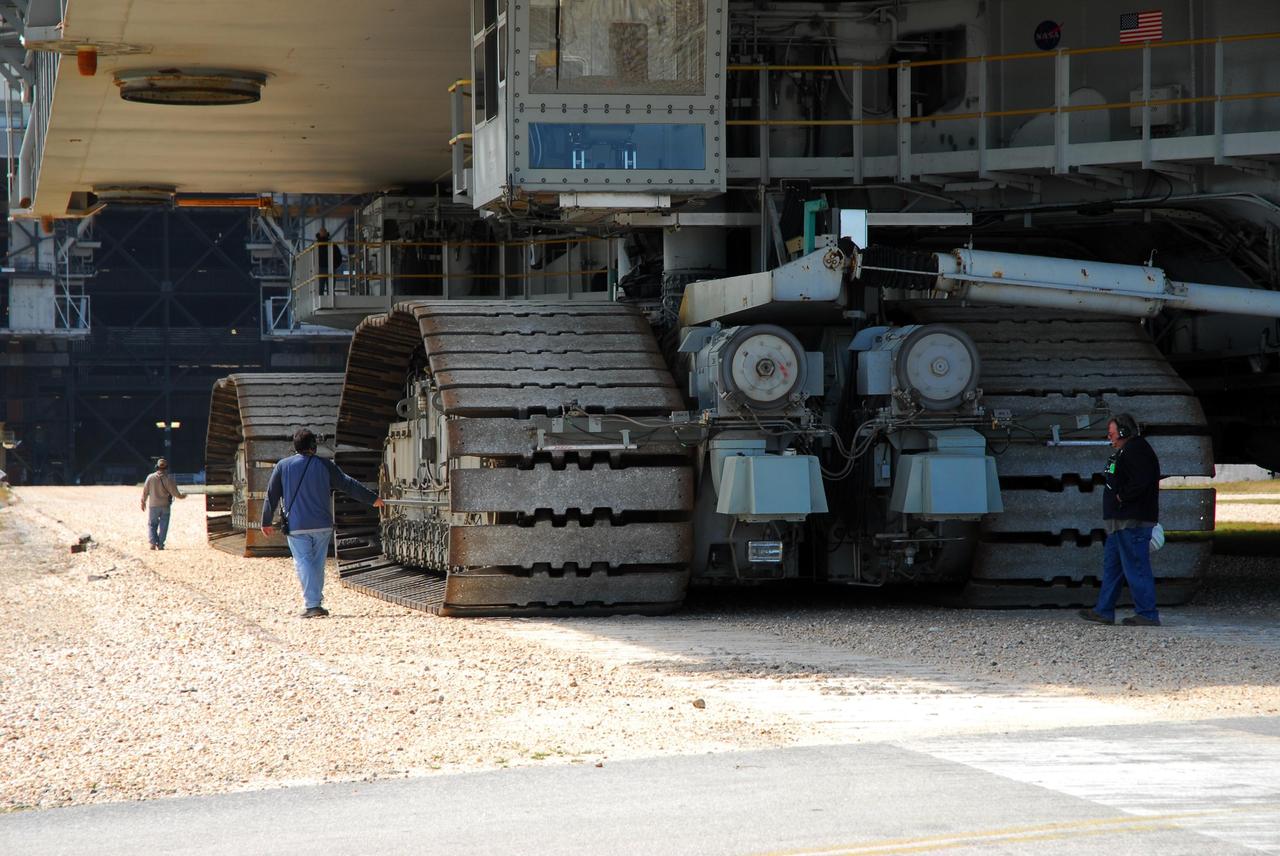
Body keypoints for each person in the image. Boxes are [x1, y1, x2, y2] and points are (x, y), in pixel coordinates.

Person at [261, 428, 382, 618]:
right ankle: (316, 602)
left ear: (295, 447)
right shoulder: (325, 465)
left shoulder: (283, 466)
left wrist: (266, 520)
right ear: (314, 446)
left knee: (304, 562)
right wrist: (372, 499)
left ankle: (312, 605)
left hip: (297, 525)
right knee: (317, 564)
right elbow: (347, 483)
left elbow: (272, 495)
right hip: (323, 525)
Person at [1080, 413, 1162, 627]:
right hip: (1120, 523)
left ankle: (1147, 613)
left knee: (1136, 566)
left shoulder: (1137, 450)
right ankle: (1104, 610)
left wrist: (1121, 496)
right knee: (1113, 568)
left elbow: (1141, 481)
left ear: (1124, 432)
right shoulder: (1128, 451)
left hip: (1131, 521)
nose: (1110, 438)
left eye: (1112, 434)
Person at [140, 457, 185, 550]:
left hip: (153, 505)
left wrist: (143, 502)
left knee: (152, 524)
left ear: (157, 467)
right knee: (164, 526)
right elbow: (176, 493)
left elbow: (145, 491)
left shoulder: (150, 477)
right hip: (165, 506)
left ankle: (152, 543)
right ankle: (160, 545)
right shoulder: (169, 479)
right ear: (166, 468)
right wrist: (182, 496)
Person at [315, 226, 343, 296]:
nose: (323, 233)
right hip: (323, 268)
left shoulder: (316, 245)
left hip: (326, 268)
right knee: (322, 288)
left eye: (323, 232)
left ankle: (326, 299)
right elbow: (339, 257)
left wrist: (334, 266)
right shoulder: (331, 245)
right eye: (322, 232)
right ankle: (323, 298)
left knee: (328, 288)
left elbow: (339, 257)